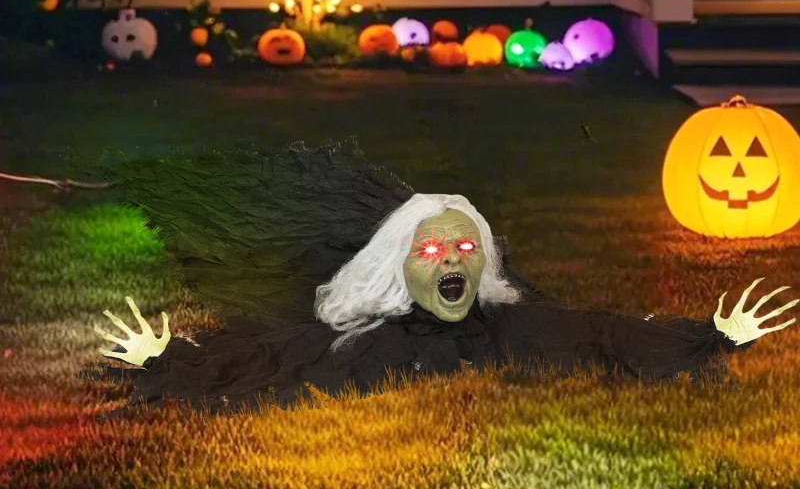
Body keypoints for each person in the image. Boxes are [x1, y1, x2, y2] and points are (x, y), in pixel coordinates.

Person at [77, 139, 797, 417]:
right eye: (430, 253)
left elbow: (601, 335)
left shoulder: (513, 323)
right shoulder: (358, 340)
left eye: (463, 250)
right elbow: (267, 358)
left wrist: (708, 338)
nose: (450, 262)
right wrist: (169, 361)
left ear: (484, 262)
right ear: (398, 270)